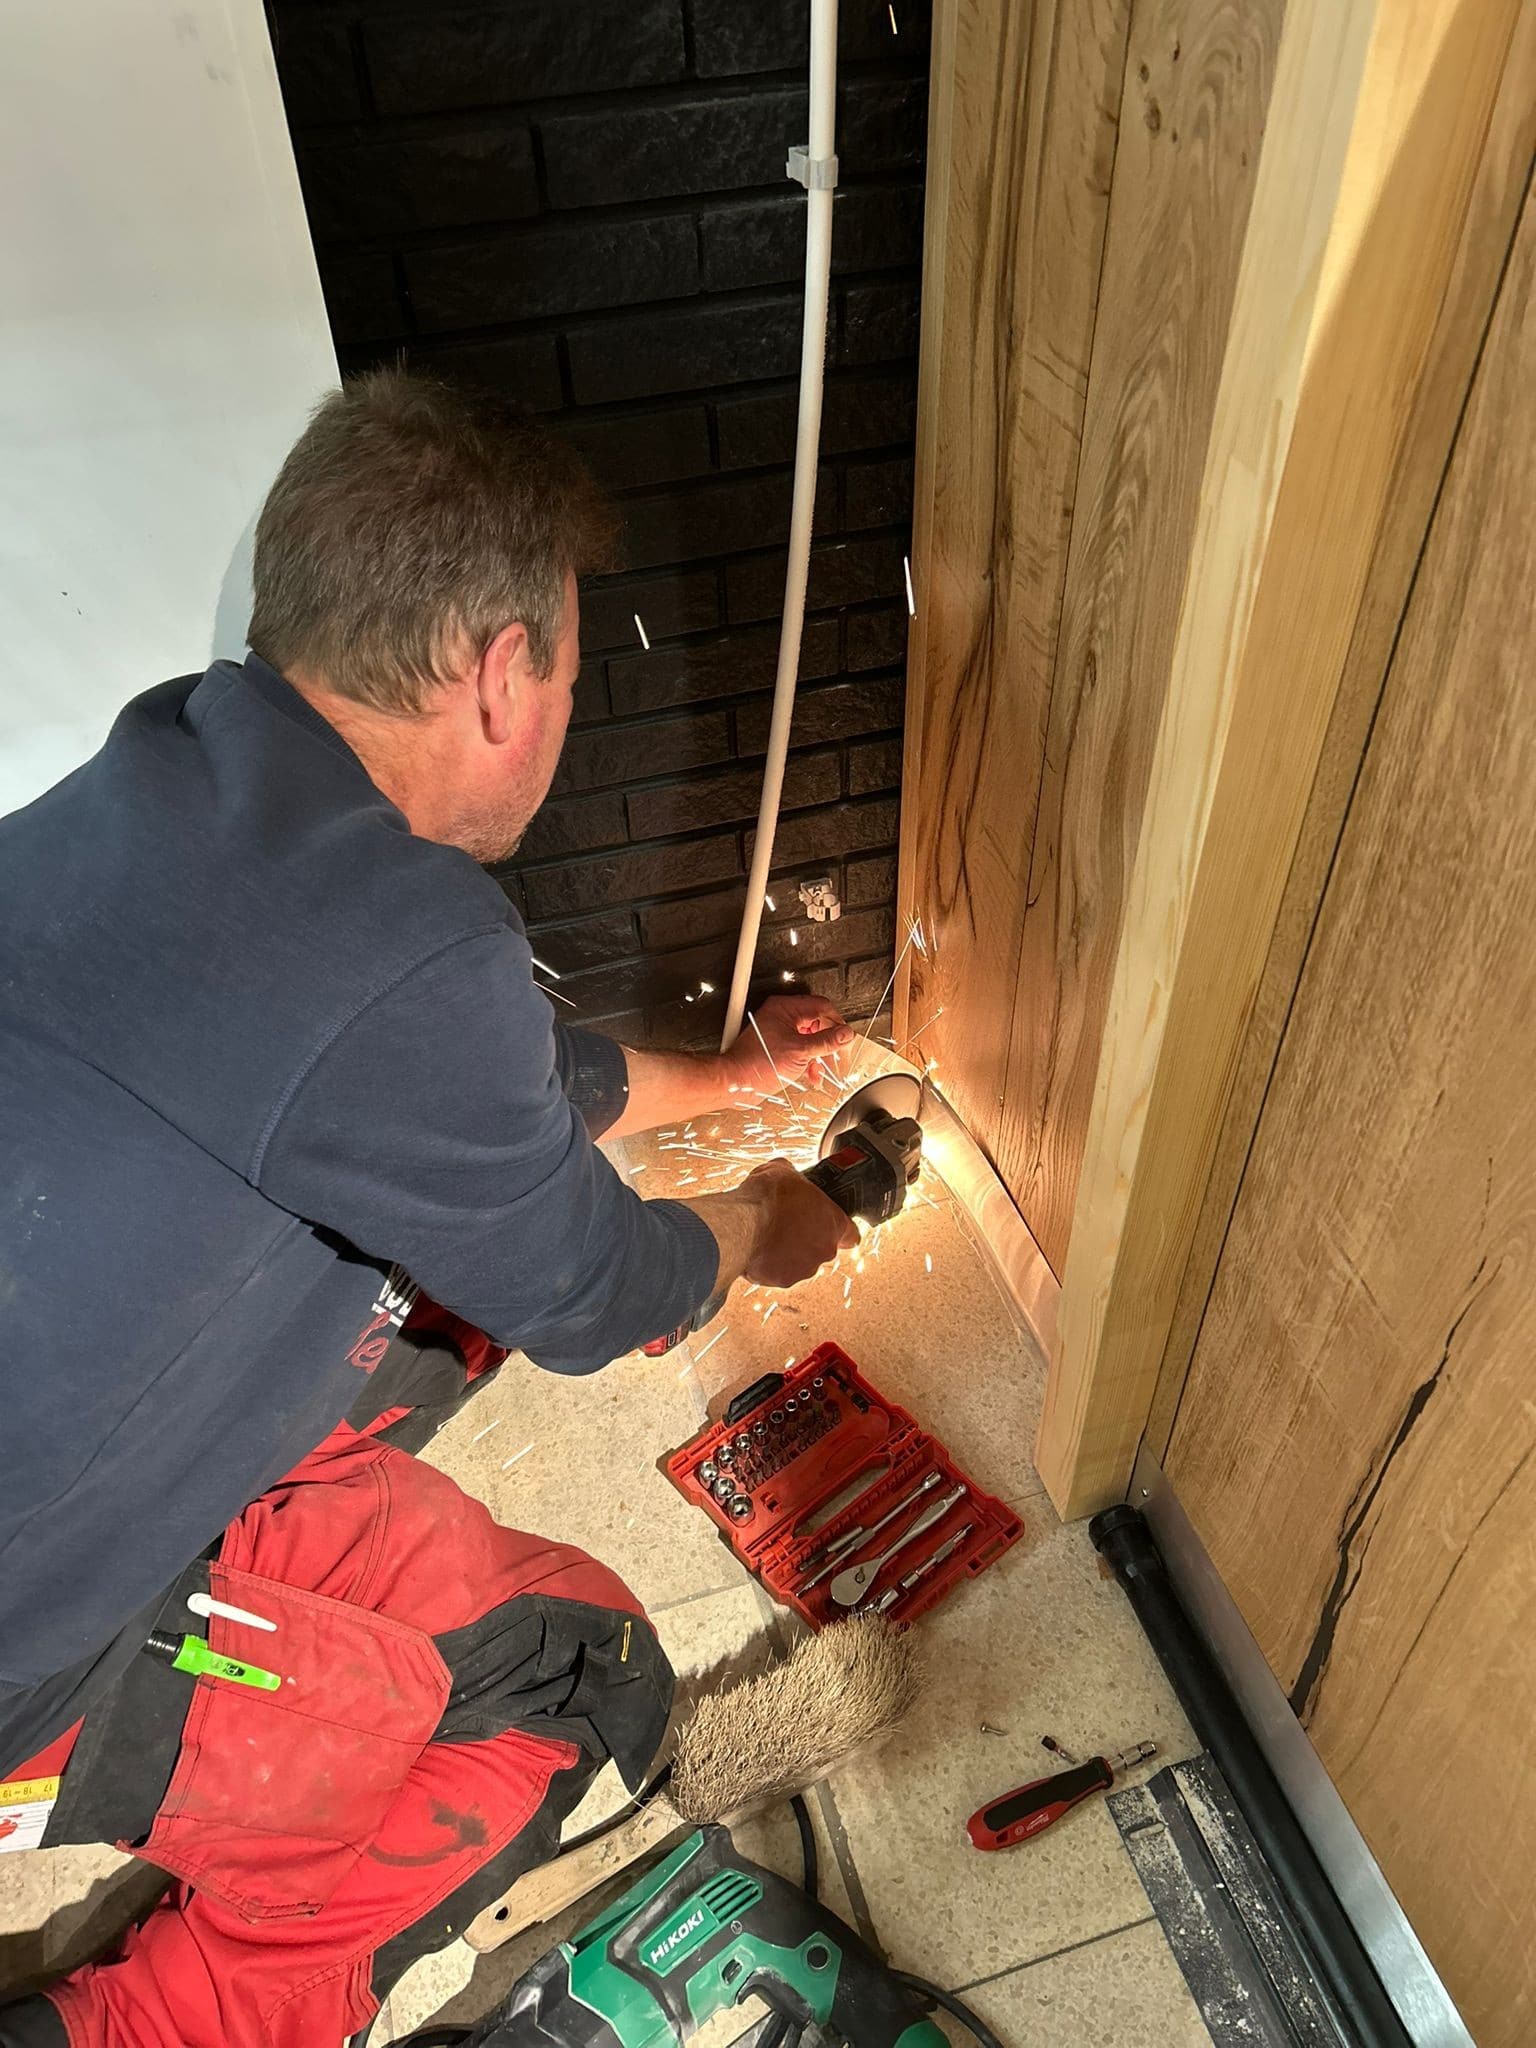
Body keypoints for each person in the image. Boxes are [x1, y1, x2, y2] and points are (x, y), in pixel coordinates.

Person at [0, 370, 858, 2047]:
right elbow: (601, 1291)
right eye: (572, 668)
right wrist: (772, 1221)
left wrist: (727, 1074)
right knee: (573, 1676)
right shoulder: (405, 950)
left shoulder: (166, 779)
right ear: (501, 670)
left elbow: (483, 1082)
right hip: (26, 1643)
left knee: (434, 1309)